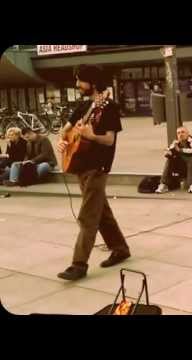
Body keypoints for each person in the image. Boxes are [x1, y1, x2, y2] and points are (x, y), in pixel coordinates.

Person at [56, 64, 131, 281]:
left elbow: (109, 140)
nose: (77, 84)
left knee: (88, 215)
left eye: (80, 80)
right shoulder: (83, 106)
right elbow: (65, 130)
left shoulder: (109, 108)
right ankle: (120, 248)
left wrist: (90, 135)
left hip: (98, 167)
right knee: (101, 211)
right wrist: (62, 142)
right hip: (80, 165)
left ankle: (78, 264)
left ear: (93, 83)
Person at [155, 126, 192, 194]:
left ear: (187, 134)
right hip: (184, 168)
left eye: (183, 132)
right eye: (178, 133)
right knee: (169, 160)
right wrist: (168, 153)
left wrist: (180, 150)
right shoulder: (176, 143)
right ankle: (163, 184)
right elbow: (168, 150)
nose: (181, 134)